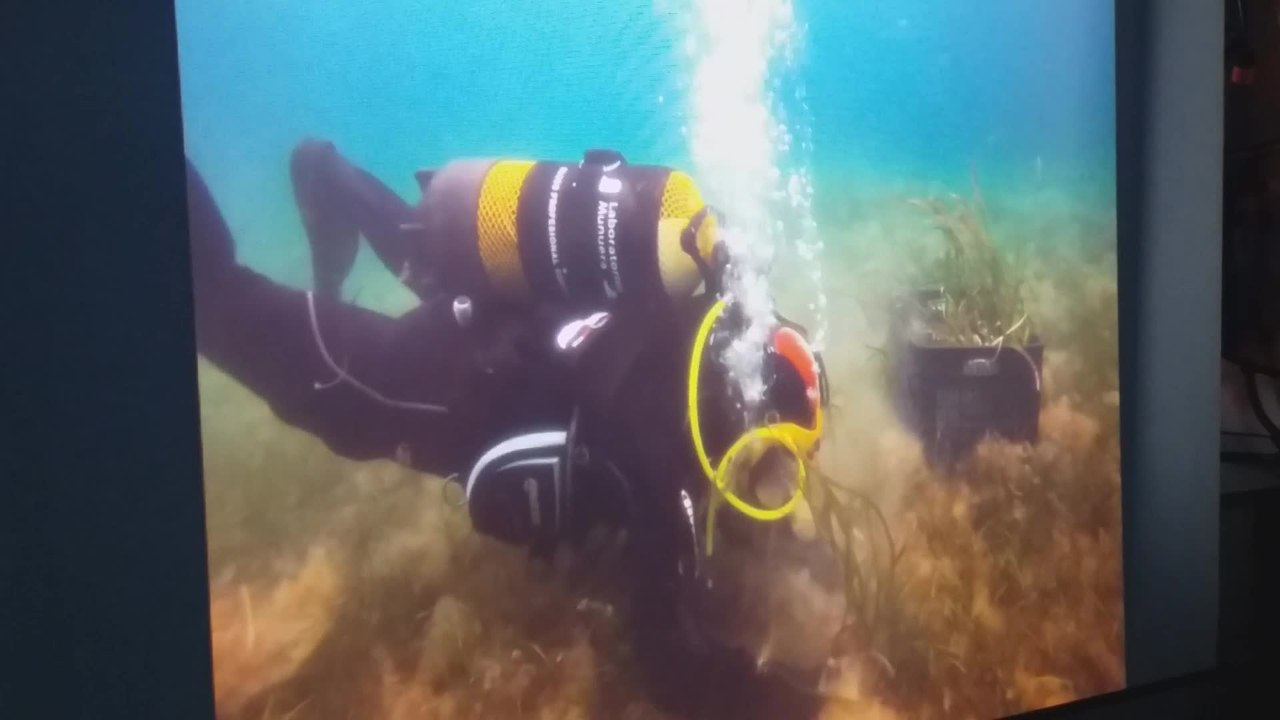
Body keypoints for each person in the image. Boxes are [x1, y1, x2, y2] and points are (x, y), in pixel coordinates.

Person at [185, 139, 832, 720]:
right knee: (221, 306)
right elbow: (669, 670)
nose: (770, 484)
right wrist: (791, 702)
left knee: (425, 257)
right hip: (438, 385)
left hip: (501, 310)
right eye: (773, 461)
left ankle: (334, 179)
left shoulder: (703, 312)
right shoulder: (667, 464)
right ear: (749, 420)